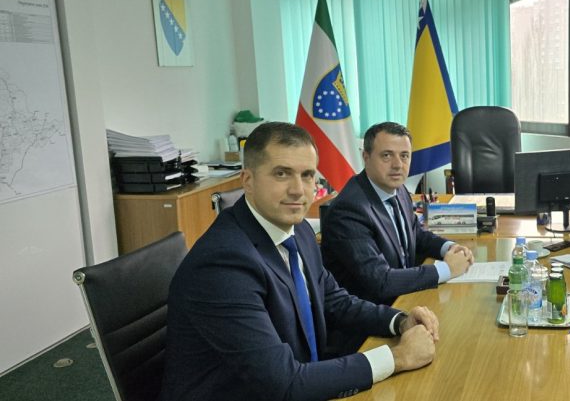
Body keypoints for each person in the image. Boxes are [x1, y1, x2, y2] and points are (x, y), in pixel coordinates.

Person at [161, 122, 439, 401]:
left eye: (307, 175)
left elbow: (335, 300)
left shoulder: (300, 230)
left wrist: (399, 321)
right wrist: (397, 357)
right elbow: (284, 383)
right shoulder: (222, 264)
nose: (298, 190)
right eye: (282, 174)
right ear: (248, 180)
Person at [321, 121, 473, 305]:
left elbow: (416, 234)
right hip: (372, 314)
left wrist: (449, 248)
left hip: (404, 299)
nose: (398, 165)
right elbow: (381, 281)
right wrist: (448, 269)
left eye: (404, 156)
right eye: (387, 155)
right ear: (366, 157)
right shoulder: (349, 210)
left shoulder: (398, 190)